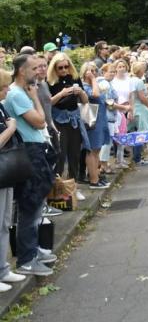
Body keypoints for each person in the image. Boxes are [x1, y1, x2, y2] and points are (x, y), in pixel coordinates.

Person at [4, 55, 56, 276]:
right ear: (21, 71)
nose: (39, 71)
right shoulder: (17, 94)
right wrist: (35, 98)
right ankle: (26, 259)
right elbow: (40, 121)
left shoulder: (19, 92)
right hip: (29, 152)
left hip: (33, 150)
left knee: (34, 205)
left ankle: (32, 250)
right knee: (30, 206)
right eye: (34, 68)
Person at [0, 70, 28, 290]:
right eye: (3, 87)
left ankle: (3, 269)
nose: (7, 90)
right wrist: (11, 129)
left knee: (4, 222)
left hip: (6, 171)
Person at [47, 52, 90, 194]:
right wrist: (62, 93)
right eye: (60, 68)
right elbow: (47, 103)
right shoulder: (50, 82)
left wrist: (80, 92)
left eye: (66, 66)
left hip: (74, 119)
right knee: (60, 155)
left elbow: (85, 101)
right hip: (58, 119)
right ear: (54, 68)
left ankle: (73, 188)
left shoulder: (74, 78)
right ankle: (57, 191)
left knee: (75, 154)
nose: (64, 70)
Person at [79, 62, 112, 187]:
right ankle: (93, 180)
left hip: (100, 119)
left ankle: (96, 175)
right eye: (90, 71)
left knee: (97, 149)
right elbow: (95, 95)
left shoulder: (95, 84)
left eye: (94, 71)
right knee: (92, 150)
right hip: (92, 121)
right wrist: (93, 79)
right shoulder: (84, 86)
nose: (93, 73)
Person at [130, 61, 148, 165]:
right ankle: (138, 158)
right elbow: (142, 98)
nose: (144, 71)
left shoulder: (130, 80)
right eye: (143, 70)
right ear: (140, 70)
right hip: (141, 110)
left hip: (133, 109)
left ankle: (137, 156)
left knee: (135, 133)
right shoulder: (139, 81)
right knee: (142, 134)